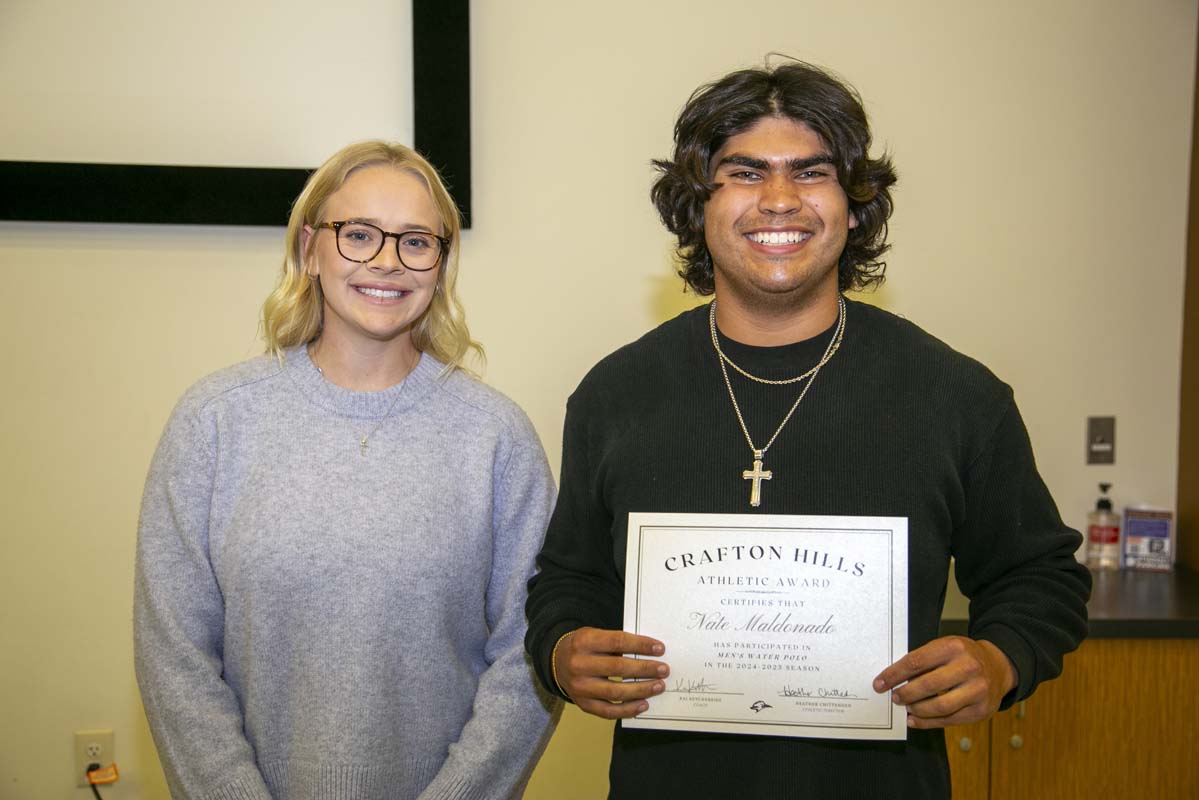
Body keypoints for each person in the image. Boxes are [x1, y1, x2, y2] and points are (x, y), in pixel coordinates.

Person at [524, 62, 1090, 798]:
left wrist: (1002, 658)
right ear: (698, 205)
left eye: (812, 173)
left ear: (855, 207)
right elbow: (570, 579)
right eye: (746, 173)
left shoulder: (958, 396)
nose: (781, 201)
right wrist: (564, 649)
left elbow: (1038, 576)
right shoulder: (615, 393)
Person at [135, 141, 557, 800]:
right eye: (358, 234)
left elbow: (527, 655)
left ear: (441, 264)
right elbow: (174, 656)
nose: (387, 260)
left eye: (417, 241)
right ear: (310, 250)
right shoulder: (215, 423)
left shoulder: (496, 438)